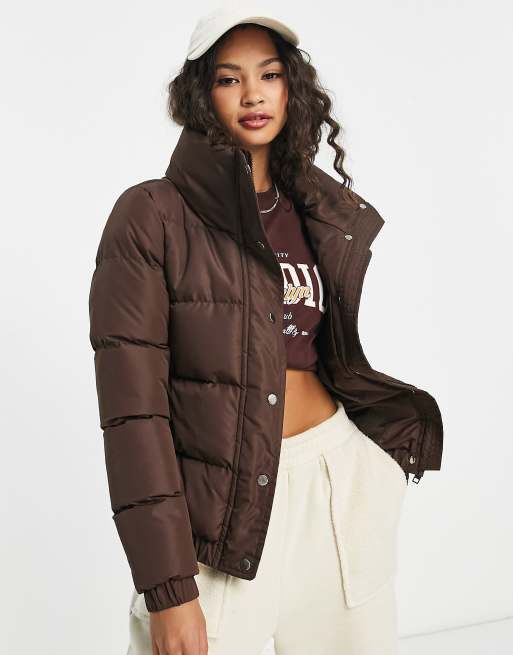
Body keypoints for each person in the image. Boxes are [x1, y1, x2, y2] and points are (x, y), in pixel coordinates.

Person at [88, 4, 443, 655]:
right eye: (229, 78)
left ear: (290, 86)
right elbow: (134, 415)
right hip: (220, 519)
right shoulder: (152, 216)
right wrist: (168, 587)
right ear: (199, 93)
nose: (253, 94)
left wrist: (375, 472)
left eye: (269, 74)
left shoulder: (313, 204)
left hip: (336, 489)